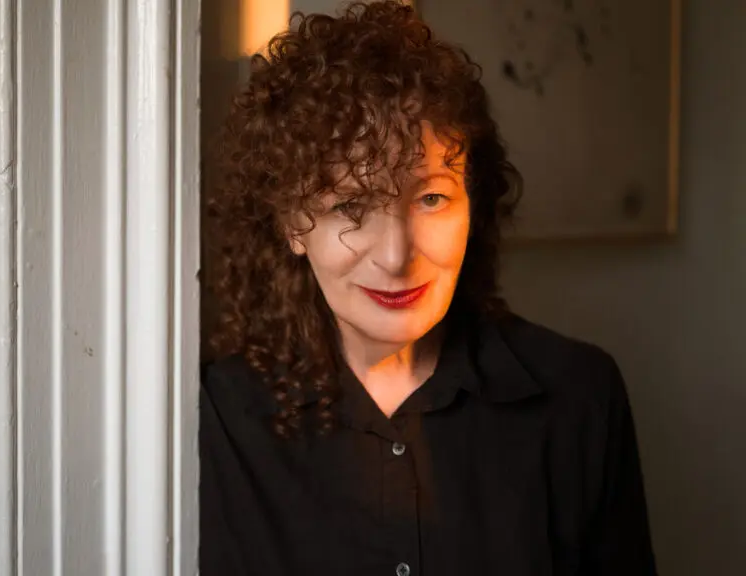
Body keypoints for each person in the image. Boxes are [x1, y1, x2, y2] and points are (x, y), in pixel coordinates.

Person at [200, 1, 657, 574]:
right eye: (350, 206)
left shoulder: (579, 395)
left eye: (432, 198)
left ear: (474, 202)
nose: (396, 256)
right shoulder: (220, 412)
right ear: (292, 224)